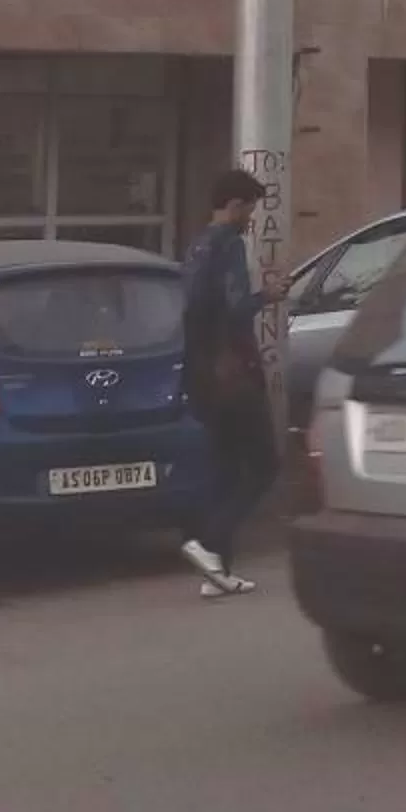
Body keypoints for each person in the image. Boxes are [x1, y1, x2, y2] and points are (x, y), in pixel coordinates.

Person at [179, 168, 278, 598]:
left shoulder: (196, 246)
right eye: (250, 208)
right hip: (234, 374)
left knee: (224, 467)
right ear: (235, 205)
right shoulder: (229, 246)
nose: (251, 218)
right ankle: (209, 545)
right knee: (263, 465)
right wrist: (268, 296)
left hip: (201, 374)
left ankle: (218, 571)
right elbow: (236, 310)